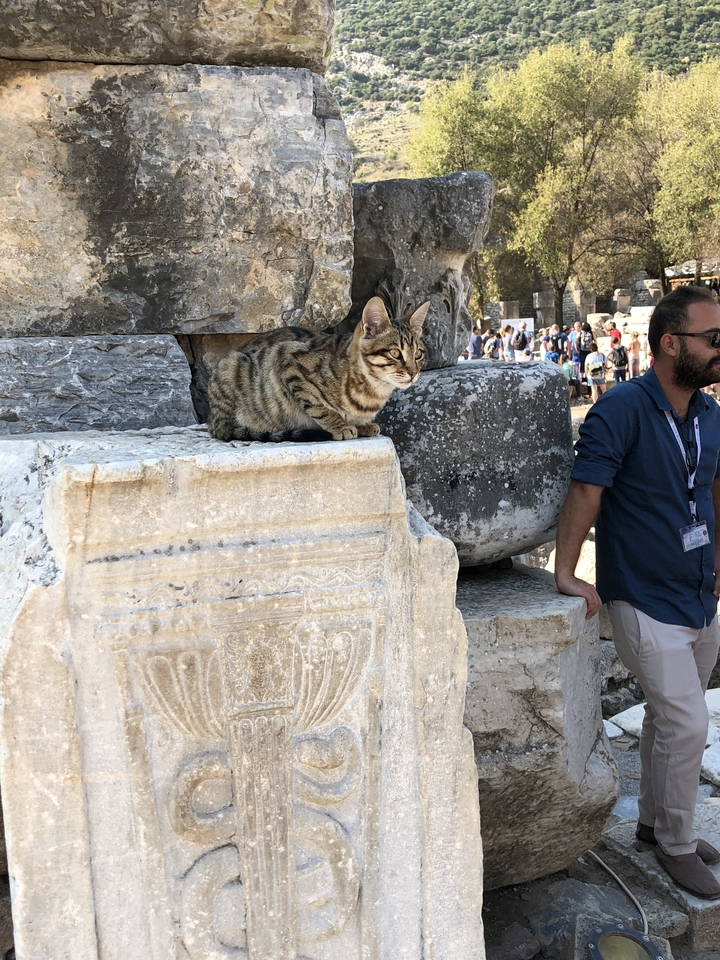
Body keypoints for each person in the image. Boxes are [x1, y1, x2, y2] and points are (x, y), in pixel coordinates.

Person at [554, 285, 720, 900]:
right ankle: (676, 843)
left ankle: (653, 824)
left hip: (698, 594)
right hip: (643, 598)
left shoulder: (709, 414)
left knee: (665, 718)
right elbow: (586, 490)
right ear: (671, 344)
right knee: (687, 722)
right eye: (713, 337)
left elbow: (714, 488)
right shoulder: (620, 408)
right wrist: (566, 571)